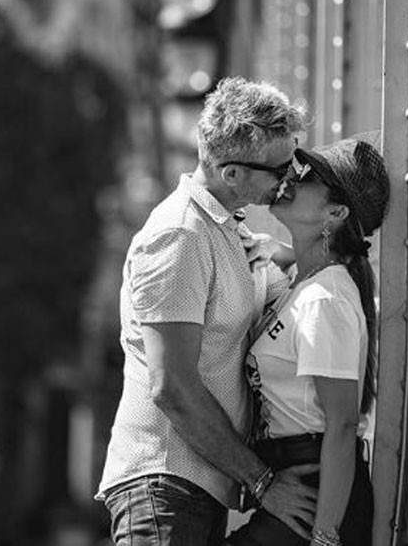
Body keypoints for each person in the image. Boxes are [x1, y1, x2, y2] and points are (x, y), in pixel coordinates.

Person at [97, 76, 318, 546]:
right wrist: (263, 483)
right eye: (280, 170)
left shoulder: (222, 232)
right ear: (232, 173)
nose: (290, 178)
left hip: (189, 491)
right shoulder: (181, 236)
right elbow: (172, 387)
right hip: (163, 486)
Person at [226, 134, 389, 546]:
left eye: (308, 175)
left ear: (334, 212)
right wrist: (276, 251)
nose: (290, 178)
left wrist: (325, 537)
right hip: (298, 483)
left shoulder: (324, 298)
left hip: (317, 496)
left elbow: (342, 424)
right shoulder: (307, 286)